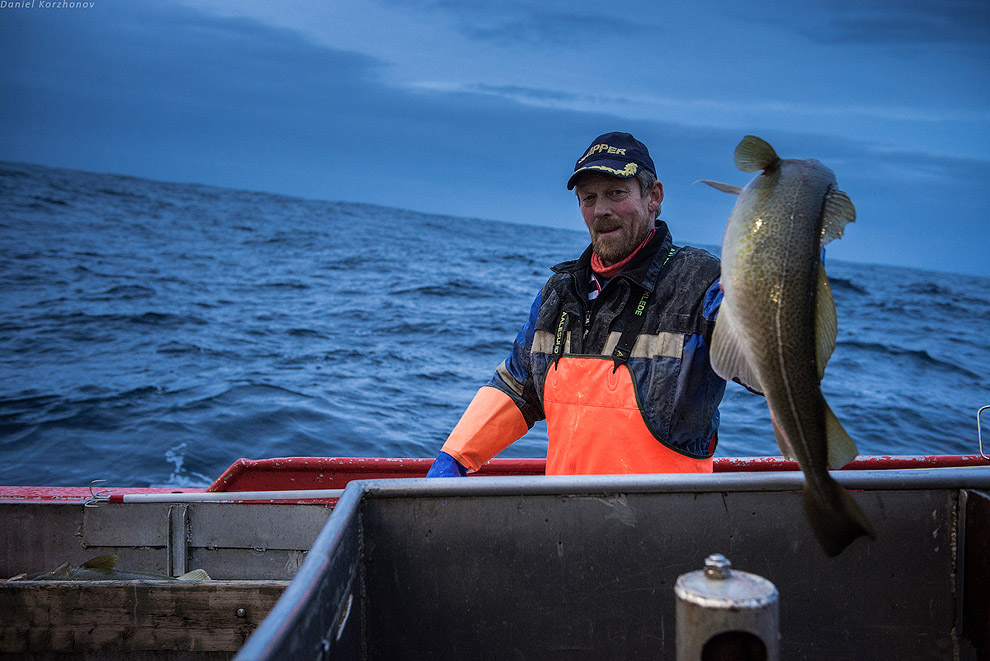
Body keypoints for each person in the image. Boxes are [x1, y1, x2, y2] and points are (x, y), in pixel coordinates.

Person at [427, 132, 725, 477]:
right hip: (567, 519)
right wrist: (455, 457)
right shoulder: (560, 292)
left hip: (667, 520)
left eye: (616, 193)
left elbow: (763, 374)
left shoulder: (701, 282)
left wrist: (752, 317)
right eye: (589, 198)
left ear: (653, 196)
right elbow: (517, 387)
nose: (602, 210)